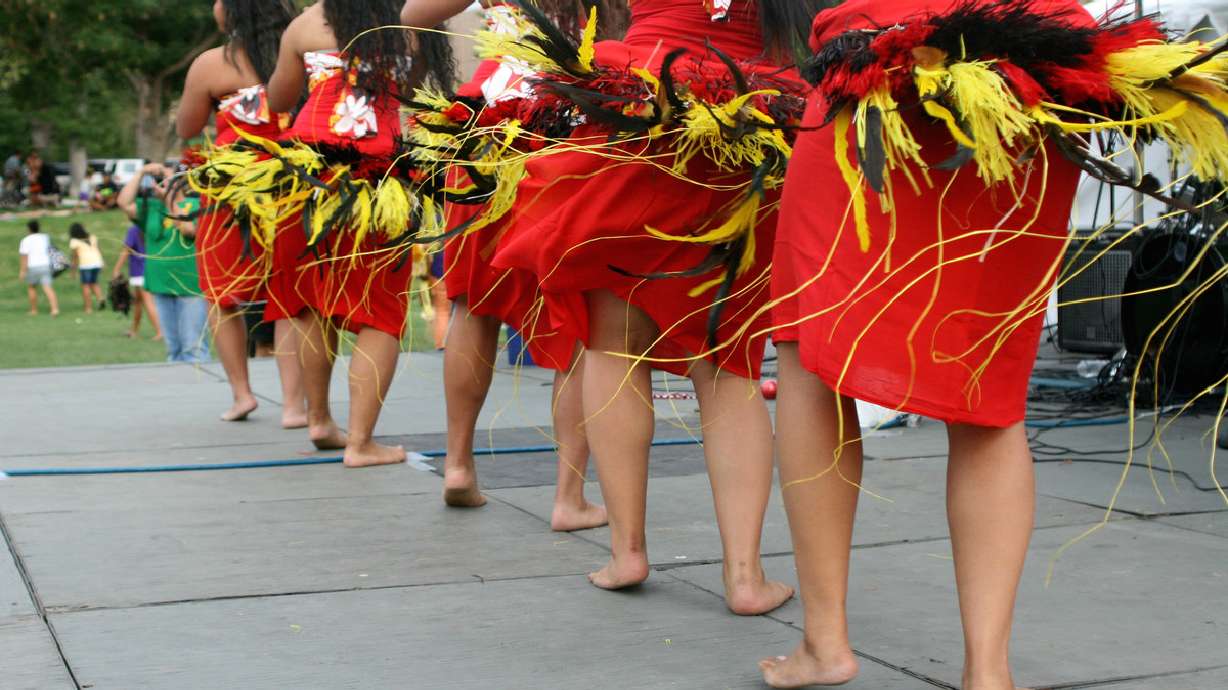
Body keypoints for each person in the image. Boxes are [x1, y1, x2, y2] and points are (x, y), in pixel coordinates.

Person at [758, 1, 1228, 687]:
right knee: (984, 381)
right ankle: (988, 672)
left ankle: (825, 644)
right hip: (1031, 77)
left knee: (809, 354)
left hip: (878, 73)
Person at [411, 0, 817, 611]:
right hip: (751, 110)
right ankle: (744, 576)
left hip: (635, 103)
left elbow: (417, 10)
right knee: (726, 361)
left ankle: (627, 550)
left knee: (612, 344)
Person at [401, 0, 624, 526]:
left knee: (471, 303)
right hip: (570, 113)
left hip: (487, 113)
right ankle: (568, 496)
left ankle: (458, 465)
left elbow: (412, 12)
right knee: (581, 309)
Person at [253, 0, 456, 465]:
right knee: (379, 313)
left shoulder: (306, 23)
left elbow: (279, 101)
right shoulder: (404, 21)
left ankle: (320, 419)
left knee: (310, 302)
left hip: (307, 179)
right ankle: (361, 443)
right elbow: (412, 90)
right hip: (376, 179)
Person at [177, 0, 307, 426]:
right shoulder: (302, 51)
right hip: (293, 187)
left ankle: (242, 395)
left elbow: (187, 128)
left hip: (231, 193)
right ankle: (293, 405)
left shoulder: (213, 64)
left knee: (221, 295)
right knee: (290, 298)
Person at [118, 162, 210, 363]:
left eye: (171, 180)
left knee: (193, 347)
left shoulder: (197, 205)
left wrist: (170, 197)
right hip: (161, 284)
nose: (164, 184)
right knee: (174, 349)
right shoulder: (151, 207)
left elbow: (187, 229)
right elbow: (124, 203)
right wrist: (141, 172)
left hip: (191, 287)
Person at [112, 223, 164, 339]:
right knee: (138, 302)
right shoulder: (150, 227)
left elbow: (126, 250)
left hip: (139, 272)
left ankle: (160, 332)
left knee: (147, 301)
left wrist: (116, 269)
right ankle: (134, 330)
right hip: (150, 270)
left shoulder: (134, 229)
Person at [17, 220, 60, 316]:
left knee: (32, 287)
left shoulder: (25, 240)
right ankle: (54, 309)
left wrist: (22, 271)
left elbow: (24, 257)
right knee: (47, 287)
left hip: (32, 266)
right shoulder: (45, 238)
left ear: (28, 229)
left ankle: (33, 310)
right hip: (45, 265)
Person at [68, 223, 106, 313]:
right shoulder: (92, 237)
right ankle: (100, 298)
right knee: (94, 283)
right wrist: (103, 262)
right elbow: (98, 249)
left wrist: (73, 271)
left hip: (86, 264)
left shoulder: (74, 241)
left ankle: (88, 308)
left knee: (85, 286)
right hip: (97, 262)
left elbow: (75, 257)